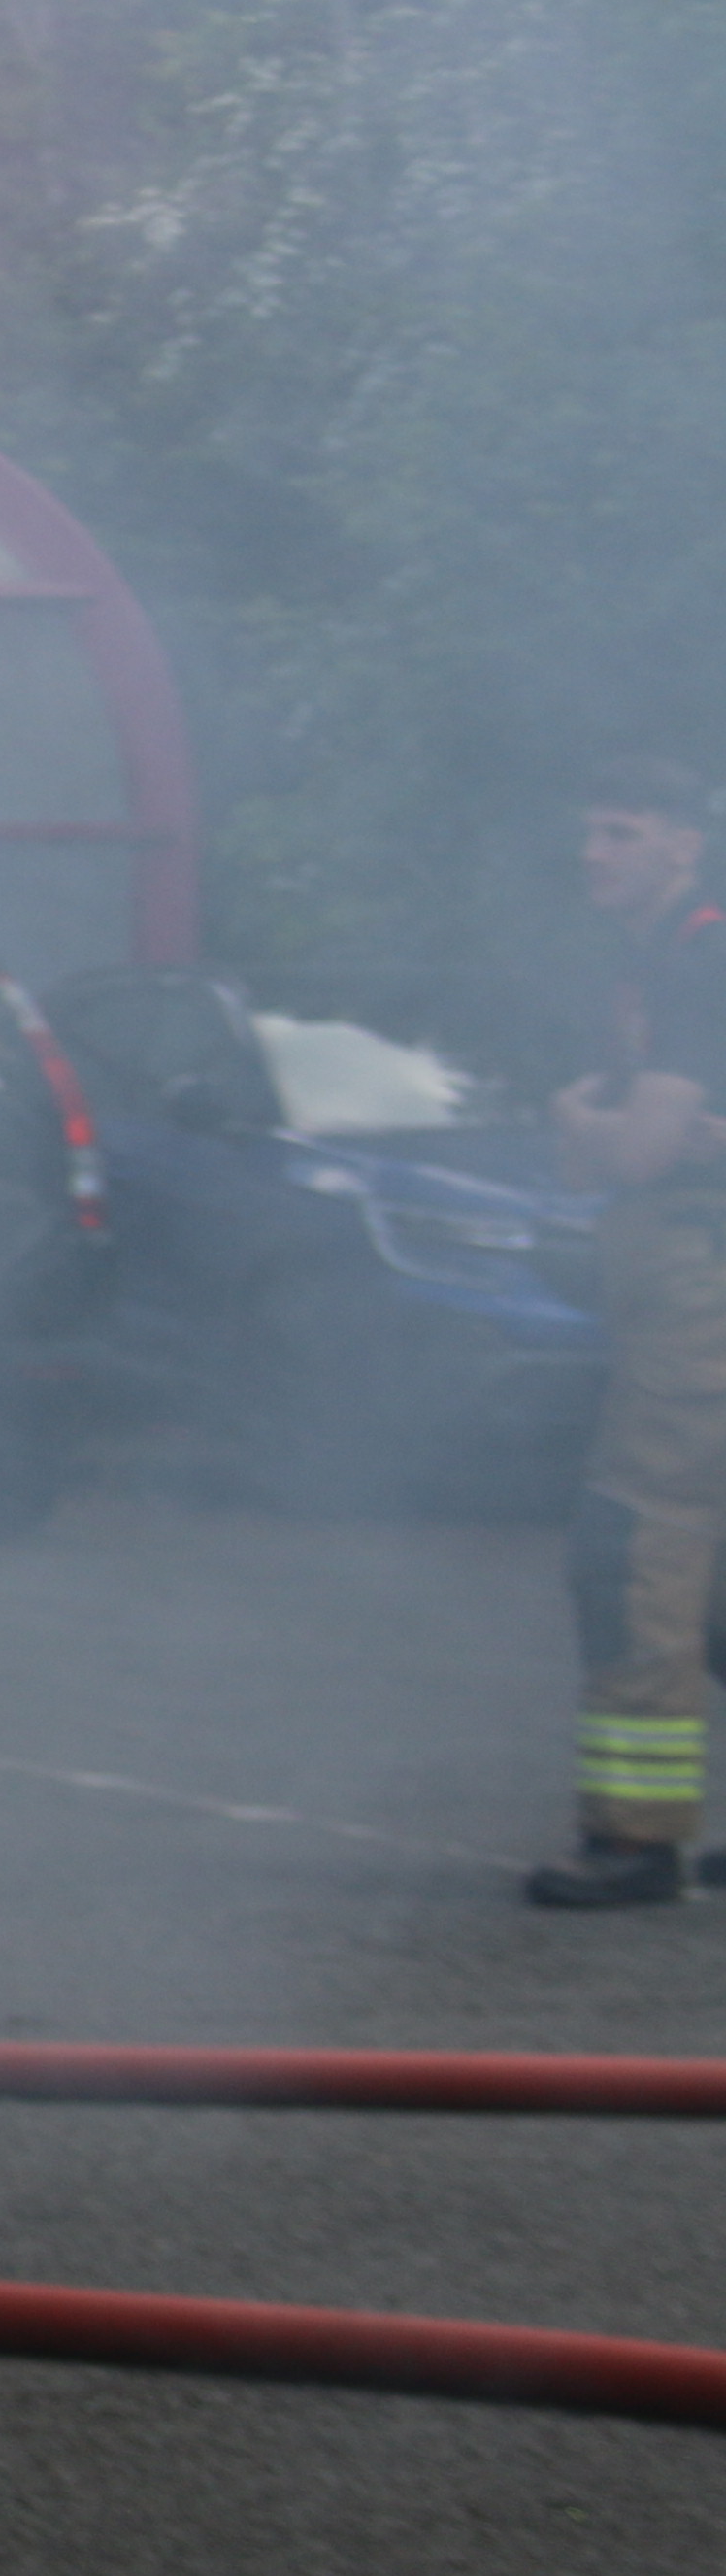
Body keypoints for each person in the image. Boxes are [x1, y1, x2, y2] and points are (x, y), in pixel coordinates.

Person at [529, 755, 726, 1910]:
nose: (592, 853)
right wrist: (612, 1128)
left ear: (682, 847)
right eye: (589, 832)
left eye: (619, 833)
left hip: (693, 1281)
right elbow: (613, 1149)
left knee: (634, 1541)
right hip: (673, 1270)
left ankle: (634, 1839)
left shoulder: (699, 962)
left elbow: (627, 1150)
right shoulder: (648, 966)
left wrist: (577, 1110)